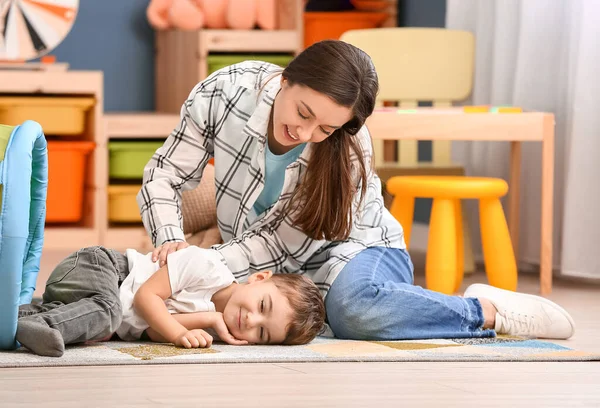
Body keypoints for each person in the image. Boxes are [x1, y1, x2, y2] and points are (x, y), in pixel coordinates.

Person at [137, 40, 575, 343]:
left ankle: (487, 312)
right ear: (287, 79)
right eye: (303, 112)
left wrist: (201, 266)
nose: (304, 132)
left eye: (324, 128)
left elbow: (276, 246)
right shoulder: (225, 92)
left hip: (357, 249)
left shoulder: (347, 151)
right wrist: (171, 245)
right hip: (263, 267)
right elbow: (164, 173)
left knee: (352, 311)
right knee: (180, 297)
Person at [16, 245, 325, 357]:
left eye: (262, 333)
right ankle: (41, 327)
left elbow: (149, 331)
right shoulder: (206, 265)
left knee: (102, 327)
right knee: (109, 316)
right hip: (99, 268)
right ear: (258, 278)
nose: (251, 321)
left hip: (83, 302)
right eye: (262, 307)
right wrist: (179, 334)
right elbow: (144, 300)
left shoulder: (217, 328)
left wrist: (210, 320)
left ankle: (20, 320)